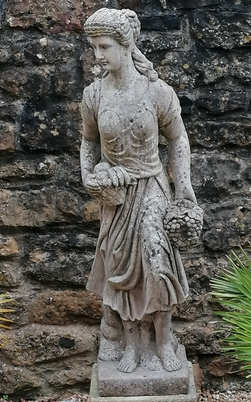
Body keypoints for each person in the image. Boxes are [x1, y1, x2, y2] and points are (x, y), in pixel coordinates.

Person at [81, 8, 198, 373]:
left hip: (151, 187)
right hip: (116, 196)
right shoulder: (94, 95)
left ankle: (164, 340)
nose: (98, 56)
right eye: (94, 48)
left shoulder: (157, 92)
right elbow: (88, 143)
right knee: (120, 271)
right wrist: (89, 175)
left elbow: (178, 139)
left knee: (156, 261)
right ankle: (132, 345)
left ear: (124, 44)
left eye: (104, 47)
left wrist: (184, 187)